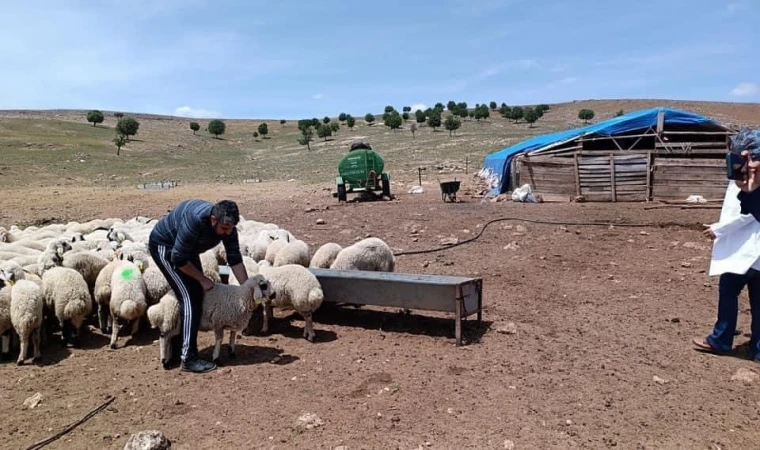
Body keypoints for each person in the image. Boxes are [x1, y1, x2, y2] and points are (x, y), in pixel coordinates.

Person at [149, 199, 248, 373]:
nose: (228, 233)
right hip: (167, 248)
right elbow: (178, 259)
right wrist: (202, 279)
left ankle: (180, 347)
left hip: (188, 250)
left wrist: (248, 289)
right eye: (224, 229)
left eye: (231, 228)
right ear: (213, 220)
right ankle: (188, 358)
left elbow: (234, 258)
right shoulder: (194, 221)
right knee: (189, 296)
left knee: (198, 294)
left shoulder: (228, 227)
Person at [694, 128, 760, 360]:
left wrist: (718, 229)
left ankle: (721, 340)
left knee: (729, 292)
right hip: (754, 251)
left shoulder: (749, 179)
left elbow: (747, 213)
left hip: (746, 249)